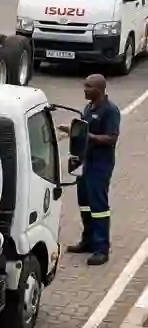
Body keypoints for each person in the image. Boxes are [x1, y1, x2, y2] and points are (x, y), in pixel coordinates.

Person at [60, 74, 120, 266]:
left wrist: (88, 136)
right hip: (85, 163)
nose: (84, 89)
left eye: (89, 86)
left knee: (99, 207)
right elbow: (82, 133)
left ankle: (102, 248)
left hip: (100, 166)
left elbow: (111, 138)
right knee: (84, 203)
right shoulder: (88, 107)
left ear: (99, 90)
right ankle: (88, 240)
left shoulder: (110, 111)